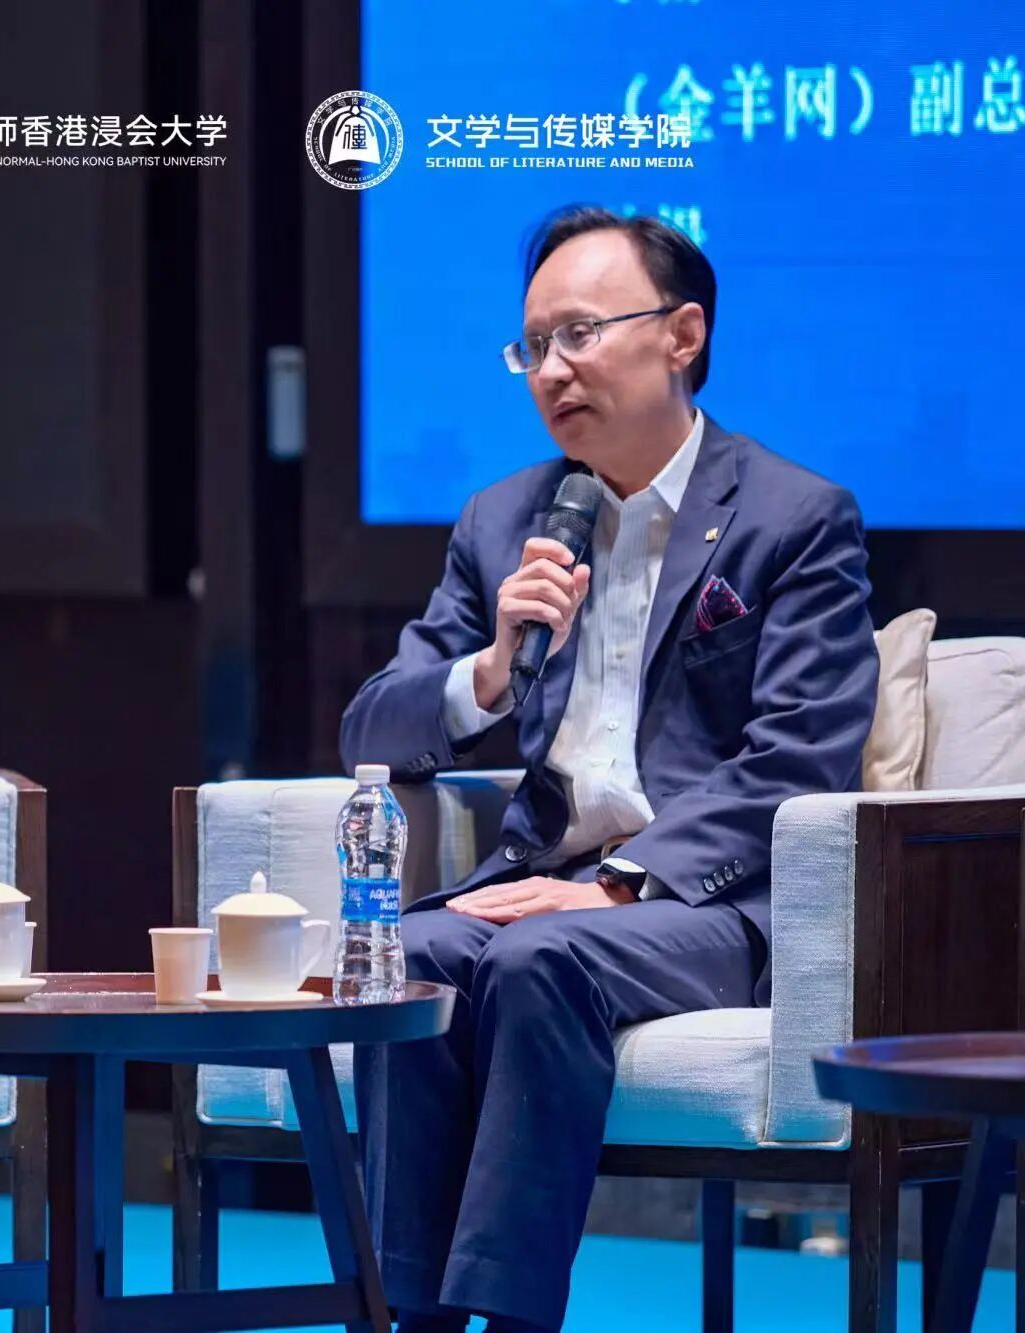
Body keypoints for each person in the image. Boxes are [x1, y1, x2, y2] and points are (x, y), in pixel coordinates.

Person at [338, 206, 878, 1332]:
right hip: (543, 884)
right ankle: (398, 1311)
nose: (551, 369)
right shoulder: (505, 519)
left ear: (681, 334)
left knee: (541, 955)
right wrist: (489, 670)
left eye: (578, 334)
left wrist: (620, 883)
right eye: (532, 345)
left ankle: (509, 1315)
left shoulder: (792, 516)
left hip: (705, 904)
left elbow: (798, 754)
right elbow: (371, 729)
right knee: (415, 953)